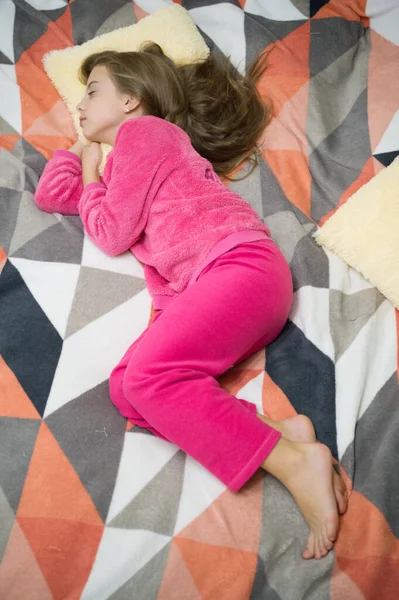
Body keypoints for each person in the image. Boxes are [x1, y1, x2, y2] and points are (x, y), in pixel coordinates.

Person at [35, 43, 347, 560]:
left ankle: (292, 463)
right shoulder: (124, 166)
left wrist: (91, 176)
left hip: (238, 268)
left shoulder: (146, 134)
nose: (80, 104)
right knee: (128, 391)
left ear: (133, 100)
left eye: (92, 92)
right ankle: (282, 435)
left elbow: (109, 232)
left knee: (147, 378)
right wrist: (78, 154)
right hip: (223, 287)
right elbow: (55, 197)